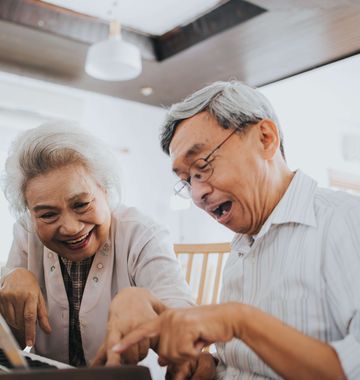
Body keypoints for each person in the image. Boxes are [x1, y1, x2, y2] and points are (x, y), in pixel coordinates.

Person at [114, 81, 360, 380]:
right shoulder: (242, 246)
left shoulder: (347, 222)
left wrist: (239, 321)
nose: (196, 194)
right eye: (187, 180)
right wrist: (212, 366)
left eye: (202, 166)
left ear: (265, 139)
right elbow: (250, 364)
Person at [0, 121, 195, 367]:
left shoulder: (142, 233)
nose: (71, 228)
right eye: (47, 215)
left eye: (81, 204)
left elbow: (188, 329)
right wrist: (12, 282)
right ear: (30, 214)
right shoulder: (26, 233)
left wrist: (145, 303)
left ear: (104, 190)